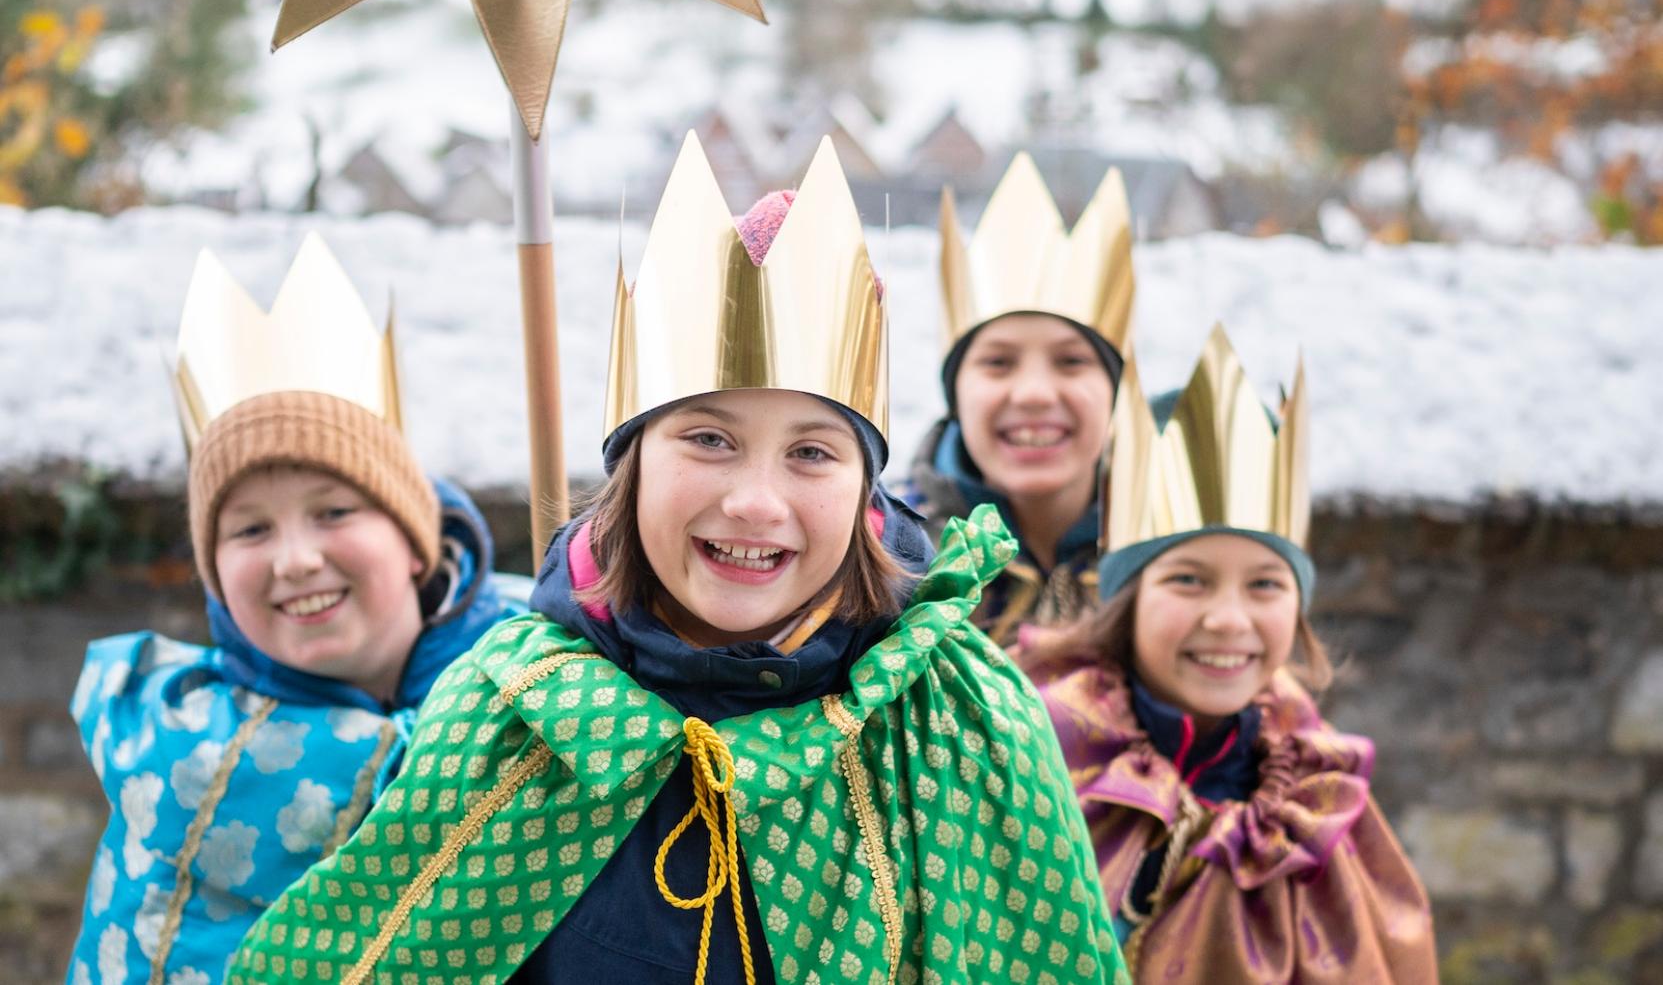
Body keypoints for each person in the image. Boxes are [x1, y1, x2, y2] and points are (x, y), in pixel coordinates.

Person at [228, 135, 1130, 985]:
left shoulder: (960, 716)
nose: (754, 500)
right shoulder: (509, 705)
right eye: (707, 437)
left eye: (811, 452)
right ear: (633, 468)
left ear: (867, 495)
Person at [67, 236, 523, 985]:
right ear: (214, 575)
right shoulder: (176, 758)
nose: (295, 558)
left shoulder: (545, 694)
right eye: (250, 528)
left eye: (334, 510)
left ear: (416, 540)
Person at [1017, 325, 1437, 982]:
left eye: (1265, 583)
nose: (1227, 618)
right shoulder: (1035, 754)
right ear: (1126, 600)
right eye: (1187, 578)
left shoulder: (1315, 791)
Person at [902, 152, 1135, 645]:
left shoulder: (1167, 560)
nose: (1032, 393)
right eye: (998, 363)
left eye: (1072, 361)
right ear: (956, 393)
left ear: (1116, 392)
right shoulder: (888, 560)